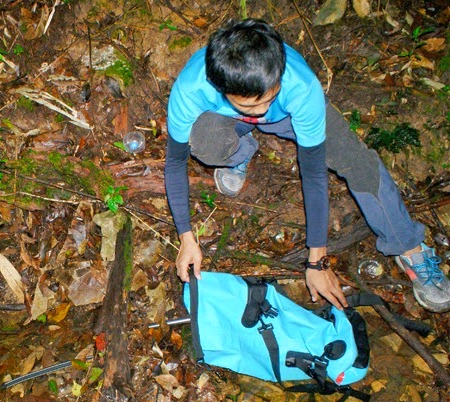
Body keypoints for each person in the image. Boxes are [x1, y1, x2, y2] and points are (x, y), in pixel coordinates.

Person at [164, 18, 450, 313]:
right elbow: (174, 163)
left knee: (357, 162)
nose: (261, 111)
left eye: (268, 98)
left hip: (288, 115)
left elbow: (313, 173)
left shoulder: (300, 86)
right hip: (226, 119)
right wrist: (186, 237)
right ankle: (240, 151)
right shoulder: (192, 88)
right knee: (205, 142)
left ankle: (408, 245)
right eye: (250, 105)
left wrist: (317, 260)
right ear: (221, 87)